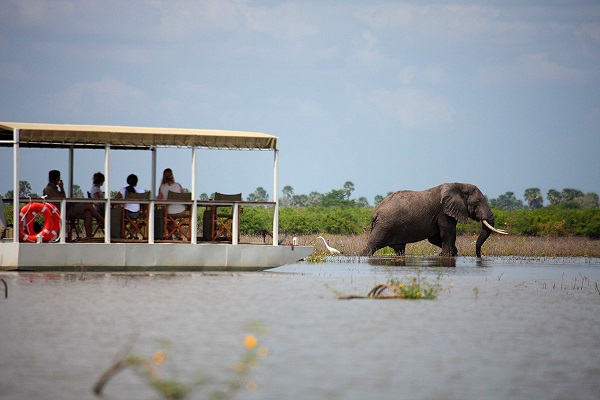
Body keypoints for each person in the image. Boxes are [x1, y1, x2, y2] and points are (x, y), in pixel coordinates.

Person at [43, 169, 104, 238]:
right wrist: (62, 188)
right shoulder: (49, 189)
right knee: (88, 206)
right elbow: (62, 199)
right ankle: (103, 221)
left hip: (66, 209)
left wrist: (61, 188)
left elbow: (63, 198)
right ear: (57, 178)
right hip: (63, 211)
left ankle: (89, 237)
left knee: (88, 213)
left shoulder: (54, 188)